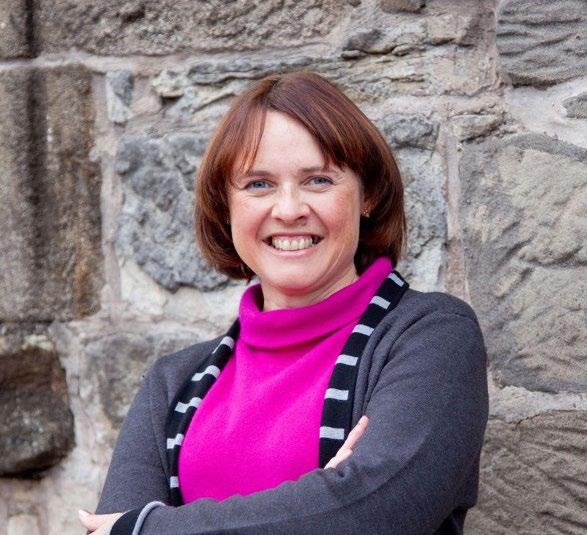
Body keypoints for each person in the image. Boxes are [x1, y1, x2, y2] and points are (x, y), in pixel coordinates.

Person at [79, 71, 489, 535]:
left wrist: (153, 527)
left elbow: (377, 514)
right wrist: (325, 502)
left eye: (318, 180)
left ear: (368, 195)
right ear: (226, 207)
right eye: (258, 184)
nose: (289, 209)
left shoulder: (431, 338)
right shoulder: (172, 385)